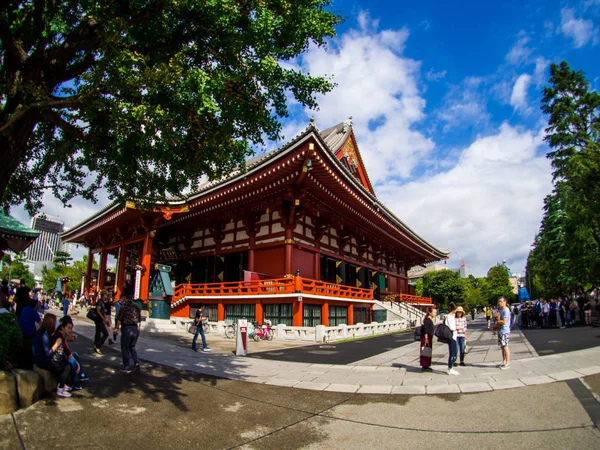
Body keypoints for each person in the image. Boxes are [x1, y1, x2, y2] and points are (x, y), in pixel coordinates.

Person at [32, 314, 72, 398]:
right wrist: (56, 345)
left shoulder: (44, 333)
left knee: (65, 364)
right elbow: (47, 353)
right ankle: (60, 387)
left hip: (42, 359)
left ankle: (62, 385)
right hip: (43, 361)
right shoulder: (44, 335)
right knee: (66, 366)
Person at [54, 316, 88, 389]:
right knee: (72, 361)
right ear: (62, 327)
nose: (70, 330)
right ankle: (74, 382)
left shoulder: (62, 335)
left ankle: (81, 375)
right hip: (58, 358)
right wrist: (77, 363)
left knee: (74, 355)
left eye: (71, 328)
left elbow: (67, 351)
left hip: (61, 356)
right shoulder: (59, 336)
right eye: (68, 328)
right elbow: (65, 351)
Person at [114, 287, 142, 373]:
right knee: (132, 346)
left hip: (127, 328)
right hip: (135, 328)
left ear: (125, 297)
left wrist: (116, 328)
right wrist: (138, 329)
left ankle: (126, 365)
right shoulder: (136, 307)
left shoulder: (124, 306)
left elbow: (119, 318)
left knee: (125, 347)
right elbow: (139, 320)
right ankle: (136, 362)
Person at [18, 298, 41, 369]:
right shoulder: (34, 312)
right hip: (30, 333)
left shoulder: (23, 309)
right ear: (34, 305)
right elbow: (40, 323)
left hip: (21, 331)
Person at [493, 297, 511, 370]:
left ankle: (507, 362)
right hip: (500, 330)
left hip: (505, 331)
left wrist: (497, 322)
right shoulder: (500, 310)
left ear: (505, 302)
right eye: (499, 301)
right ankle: (504, 361)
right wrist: (495, 327)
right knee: (502, 347)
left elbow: (504, 321)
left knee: (505, 346)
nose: (499, 303)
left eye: (501, 301)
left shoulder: (506, 310)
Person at [93, 289, 111, 354]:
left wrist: (105, 320)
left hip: (100, 319)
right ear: (103, 295)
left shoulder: (103, 302)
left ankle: (96, 345)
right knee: (105, 334)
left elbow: (103, 312)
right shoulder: (100, 301)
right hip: (99, 320)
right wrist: (104, 319)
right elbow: (98, 311)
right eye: (106, 295)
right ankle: (98, 346)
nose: (107, 296)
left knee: (98, 333)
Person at [445, 302, 459, 375]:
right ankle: (450, 368)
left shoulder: (452, 316)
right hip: (451, 336)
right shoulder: (449, 317)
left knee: (454, 351)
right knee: (452, 352)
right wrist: (456, 327)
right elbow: (451, 327)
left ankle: (451, 367)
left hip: (454, 336)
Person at [420, 307, 436, 371]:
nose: (435, 313)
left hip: (429, 337)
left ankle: (427, 365)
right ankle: (424, 365)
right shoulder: (427, 320)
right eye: (434, 312)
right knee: (425, 351)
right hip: (426, 338)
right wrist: (426, 338)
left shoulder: (430, 319)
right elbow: (425, 330)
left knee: (428, 351)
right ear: (430, 313)